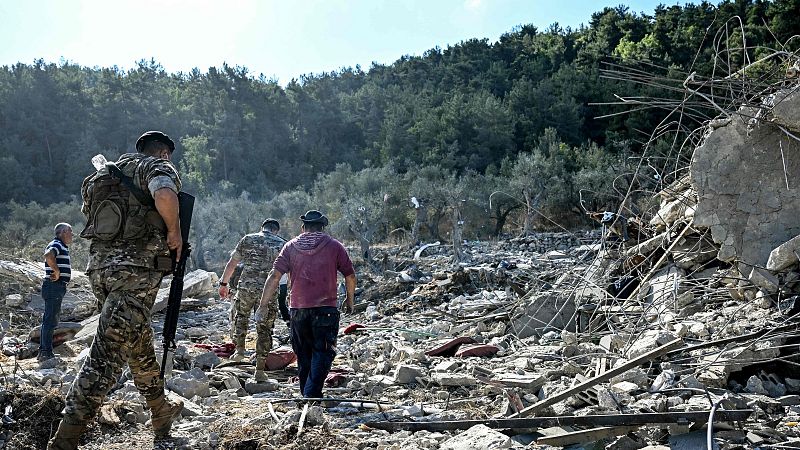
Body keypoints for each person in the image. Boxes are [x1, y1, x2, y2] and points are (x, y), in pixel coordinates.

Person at [48, 131, 184, 450]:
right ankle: (64, 440)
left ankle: (161, 415)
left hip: (100, 272)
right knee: (105, 358)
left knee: (138, 345)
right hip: (135, 274)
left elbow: (92, 219)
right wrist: (174, 232)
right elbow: (164, 194)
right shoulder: (155, 166)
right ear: (163, 153)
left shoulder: (98, 178)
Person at [257, 210, 356, 399]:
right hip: (326, 310)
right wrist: (350, 300)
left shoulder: (290, 246)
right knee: (323, 352)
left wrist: (263, 304)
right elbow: (350, 276)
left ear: (303, 228)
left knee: (303, 355)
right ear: (323, 227)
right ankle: (311, 395)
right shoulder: (334, 246)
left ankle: (307, 395)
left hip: (298, 310)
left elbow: (275, 276)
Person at [218, 218, 288, 380]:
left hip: (246, 287)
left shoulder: (248, 239)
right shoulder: (282, 244)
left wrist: (223, 284)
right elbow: (289, 273)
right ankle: (260, 369)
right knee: (264, 328)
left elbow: (232, 264)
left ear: (262, 227)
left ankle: (240, 351)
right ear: (276, 230)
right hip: (268, 291)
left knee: (241, 317)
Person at [39, 223, 73, 362]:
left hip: (57, 286)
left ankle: (46, 352)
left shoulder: (61, 245)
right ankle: (45, 352)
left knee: (51, 319)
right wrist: (57, 271)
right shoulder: (57, 244)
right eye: (70, 231)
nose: (72, 234)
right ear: (63, 232)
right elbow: (48, 255)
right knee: (50, 320)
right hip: (54, 285)